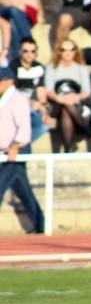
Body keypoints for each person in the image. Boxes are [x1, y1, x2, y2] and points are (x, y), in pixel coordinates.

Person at [0, 66, 44, 233]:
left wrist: (15, 147)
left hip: (16, 151)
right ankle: (41, 225)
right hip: (6, 152)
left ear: (8, 82)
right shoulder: (5, 99)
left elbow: (24, 128)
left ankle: (41, 225)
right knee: (24, 191)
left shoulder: (16, 99)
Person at [44, 39, 91, 153]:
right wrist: (61, 99)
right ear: (59, 52)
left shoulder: (81, 68)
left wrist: (75, 97)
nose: (68, 53)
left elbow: (86, 91)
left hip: (75, 102)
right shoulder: (51, 67)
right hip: (56, 103)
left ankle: (67, 149)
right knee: (65, 106)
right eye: (64, 50)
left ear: (76, 52)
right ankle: (85, 129)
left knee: (66, 111)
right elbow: (49, 90)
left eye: (71, 50)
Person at [12, 39, 52, 148]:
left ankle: (18, 146)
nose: (29, 55)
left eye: (32, 51)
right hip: (15, 105)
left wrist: (43, 111)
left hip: (33, 106)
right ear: (20, 51)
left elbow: (41, 94)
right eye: (26, 51)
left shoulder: (39, 68)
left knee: (46, 125)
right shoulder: (13, 67)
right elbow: (11, 94)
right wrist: (30, 102)